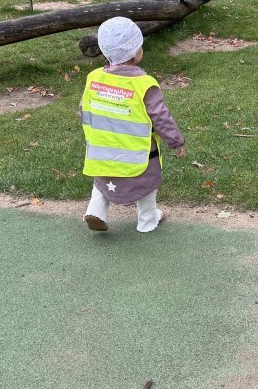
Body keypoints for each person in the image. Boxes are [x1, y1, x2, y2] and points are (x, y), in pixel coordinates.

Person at [79, 16, 185, 234]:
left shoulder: (94, 77)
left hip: (102, 147)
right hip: (138, 151)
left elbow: (83, 108)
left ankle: (96, 210)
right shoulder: (144, 84)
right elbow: (160, 116)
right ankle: (147, 220)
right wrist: (176, 141)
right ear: (136, 53)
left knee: (102, 180)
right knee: (146, 181)